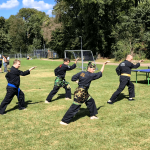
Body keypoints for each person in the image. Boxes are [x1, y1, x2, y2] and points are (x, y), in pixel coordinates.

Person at [60, 61, 109, 125]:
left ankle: (92, 115)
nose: (94, 71)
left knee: (90, 101)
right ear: (89, 68)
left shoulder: (82, 72)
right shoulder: (90, 75)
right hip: (80, 93)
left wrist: (79, 82)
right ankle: (64, 121)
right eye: (93, 69)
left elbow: (73, 78)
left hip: (82, 91)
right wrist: (104, 64)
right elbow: (100, 73)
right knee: (75, 106)